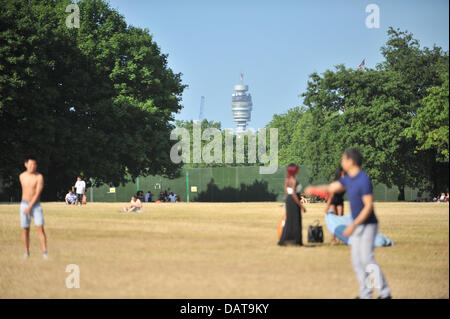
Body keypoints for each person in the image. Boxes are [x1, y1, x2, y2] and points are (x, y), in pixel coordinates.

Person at [305, 148, 391, 299]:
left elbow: (368, 206)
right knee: (357, 261)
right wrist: (314, 189)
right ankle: (365, 295)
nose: (341, 162)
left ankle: (384, 293)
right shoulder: (349, 178)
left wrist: (353, 225)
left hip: (367, 225)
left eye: (343, 159)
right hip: (358, 225)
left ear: (351, 161)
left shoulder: (363, 180)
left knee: (368, 260)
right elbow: (332, 188)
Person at [19, 156, 48, 259]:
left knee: (40, 228)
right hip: (24, 204)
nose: (32, 166)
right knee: (25, 229)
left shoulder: (39, 177)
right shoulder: (22, 176)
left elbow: (37, 193)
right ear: (26, 164)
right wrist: (26, 206)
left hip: (35, 205)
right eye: (30, 164)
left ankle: (45, 253)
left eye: (34, 164)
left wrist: (30, 206)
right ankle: (26, 253)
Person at [278, 164, 307, 246]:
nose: (298, 171)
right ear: (294, 171)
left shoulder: (287, 180)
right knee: (296, 220)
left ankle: (285, 240)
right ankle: (297, 241)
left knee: (289, 220)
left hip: (289, 200)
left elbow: (287, 192)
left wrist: (287, 202)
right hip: (294, 200)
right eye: (297, 169)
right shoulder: (294, 181)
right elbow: (294, 194)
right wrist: (301, 206)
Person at [324, 166, 346, 244]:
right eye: (343, 173)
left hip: (340, 200)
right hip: (333, 201)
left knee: (341, 220)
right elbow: (331, 195)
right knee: (334, 219)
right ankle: (333, 239)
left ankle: (342, 238)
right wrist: (327, 207)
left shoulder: (346, 181)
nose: (344, 174)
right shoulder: (335, 182)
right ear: (339, 173)